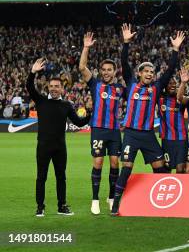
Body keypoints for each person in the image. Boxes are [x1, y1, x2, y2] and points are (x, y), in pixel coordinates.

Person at [111, 24, 184, 215]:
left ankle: (164, 204)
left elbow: (169, 71)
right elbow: (124, 63)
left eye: (152, 72)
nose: (150, 74)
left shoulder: (156, 88)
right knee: (126, 168)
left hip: (149, 136)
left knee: (161, 169)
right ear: (139, 74)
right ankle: (116, 203)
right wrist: (126, 43)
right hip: (131, 135)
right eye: (146, 72)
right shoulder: (132, 84)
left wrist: (175, 50)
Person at [28, 58, 91, 217]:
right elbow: (29, 87)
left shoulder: (66, 105)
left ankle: (62, 206)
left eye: (57, 86)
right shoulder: (41, 101)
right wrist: (33, 72)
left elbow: (78, 122)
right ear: (48, 87)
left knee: (61, 177)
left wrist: (90, 113)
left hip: (60, 147)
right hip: (43, 146)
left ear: (62, 88)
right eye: (51, 86)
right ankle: (40, 207)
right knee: (41, 177)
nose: (54, 89)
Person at [78, 32, 124, 215]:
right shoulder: (95, 84)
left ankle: (112, 197)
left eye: (109, 70)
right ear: (100, 71)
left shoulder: (120, 89)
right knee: (98, 162)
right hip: (98, 129)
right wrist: (86, 47)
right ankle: (95, 199)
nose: (106, 72)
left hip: (114, 131)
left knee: (114, 163)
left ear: (114, 72)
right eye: (103, 70)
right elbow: (82, 67)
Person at [157, 77, 188, 173]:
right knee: (167, 168)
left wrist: (183, 83)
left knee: (180, 169)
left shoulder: (182, 98)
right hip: (167, 139)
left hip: (181, 139)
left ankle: (182, 187)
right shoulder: (160, 98)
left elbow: (182, 99)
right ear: (165, 86)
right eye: (170, 83)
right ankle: (168, 187)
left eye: (175, 83)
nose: (173, 85)